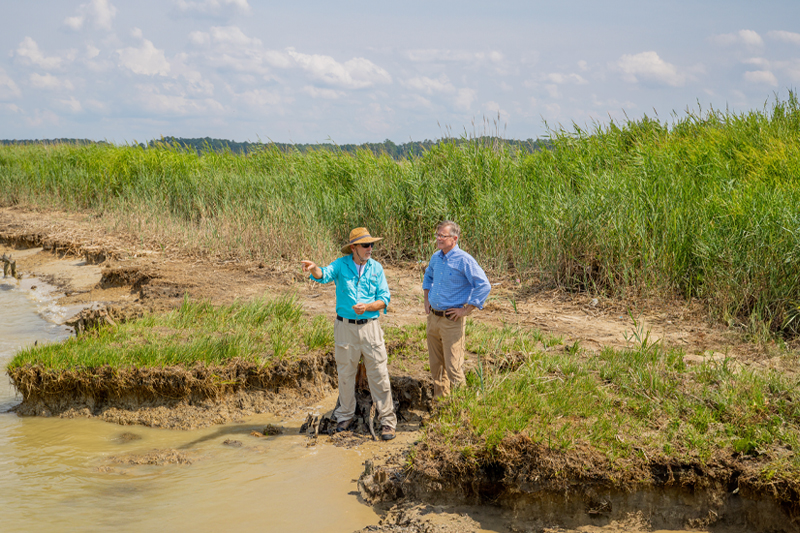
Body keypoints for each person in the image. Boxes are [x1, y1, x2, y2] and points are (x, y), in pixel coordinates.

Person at [301, 227, 397, 441]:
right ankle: (344, 416)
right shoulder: (341, 265)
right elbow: (323, 276)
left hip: (370, 326)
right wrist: (314, 268)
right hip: (344, 327)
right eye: (365, 245)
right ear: (354, 248)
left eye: (371, 244)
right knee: (345, 373)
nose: (370, 248)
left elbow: (384, 299)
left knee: (379, 374)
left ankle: (387, 422)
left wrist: (369, 307)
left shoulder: (376, 268)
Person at [422, 220, 491, 398]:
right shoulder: (436, 258)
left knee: (453, 367)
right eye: (437, 235)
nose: (438, 238)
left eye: (442, 236)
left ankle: (461, 408)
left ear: (454, 238)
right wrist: (426, 299)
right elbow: (428, 276)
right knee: (436, 366)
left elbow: (483, 285)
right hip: (433, 318)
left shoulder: (464, 260)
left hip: (452, 321)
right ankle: (441, 404)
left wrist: (465, 311)